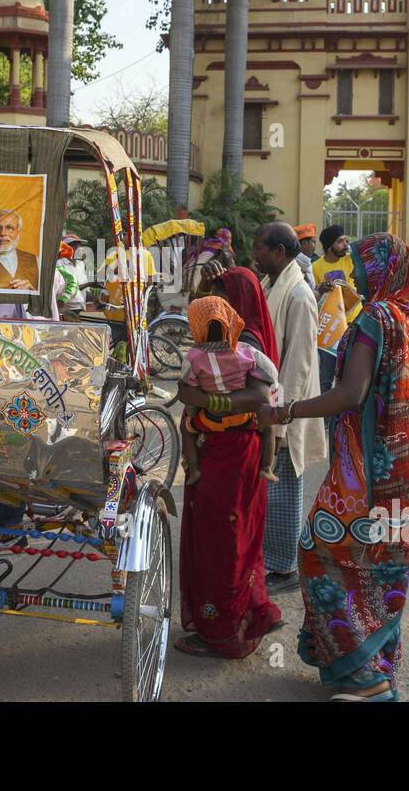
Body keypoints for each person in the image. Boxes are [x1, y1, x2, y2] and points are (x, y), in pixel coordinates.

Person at [257, 233, 409, 702]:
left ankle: (366, 677)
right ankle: (368, 662)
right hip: (407, 473)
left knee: (319, 552)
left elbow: (351, 393)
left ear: (383, 270)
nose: (353, 274)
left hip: (363, 473)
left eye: (361, 266)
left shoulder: (377, 320)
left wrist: (285, 412)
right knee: (380, 566)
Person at [173, 266, 282, 658]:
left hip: (227, 452)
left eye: (222, 292)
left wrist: (206, 405)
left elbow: (256, 399)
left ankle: (221, 630)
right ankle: (246, 615)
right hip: (240, 449)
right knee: (237, 538)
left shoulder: (242, 341)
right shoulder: (242, 337)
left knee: (220, 541)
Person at [253, 222, 327, 595]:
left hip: (285, 410)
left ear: (280, 252)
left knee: (283, 489)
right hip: (272, 405)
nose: (256, 255)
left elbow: (298, 364)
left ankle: (285, 568)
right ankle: (273, 560)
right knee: (270, 490)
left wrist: (282, 420)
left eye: (261, 249)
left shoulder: (298, 294)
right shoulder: (272, 284)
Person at [178, 296, 279, 485]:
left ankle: (193, 471)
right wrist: (274, 391)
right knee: (268, 428)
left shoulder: (194, 357)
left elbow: (187, 387)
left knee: (186, 428)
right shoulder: (245, 351)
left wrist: (193, 409)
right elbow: (271, 372)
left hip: (211, 419)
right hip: (247, 418)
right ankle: (267, 468)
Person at [312, 225, 361, 394]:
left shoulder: (349, 260)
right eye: (340, 241)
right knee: (325, 378)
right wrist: (320, 289)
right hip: (331, 329)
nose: (345, 244)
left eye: (345, 240)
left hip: (354, 324)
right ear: (329, 245)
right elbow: (314, 298)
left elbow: (361, 248)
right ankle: (324, 419)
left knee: (349, 377)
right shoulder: (316, 267)